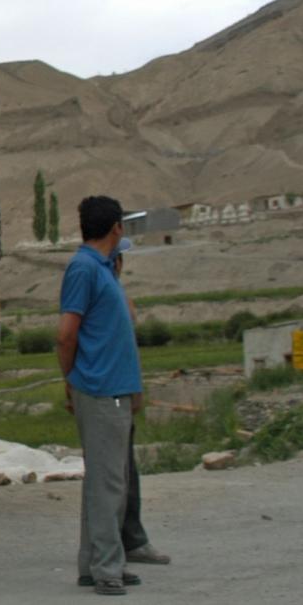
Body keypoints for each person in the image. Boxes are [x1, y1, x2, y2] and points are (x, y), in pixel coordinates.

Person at [56, 196, 143, 596]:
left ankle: (96, 563)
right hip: (99, 389)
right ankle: (108, 568)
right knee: (108, 484)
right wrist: (72, 379)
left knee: (109, 481)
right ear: (116, 228)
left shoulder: (104, 269)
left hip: (115, 388)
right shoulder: (84, 268)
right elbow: (66, 335)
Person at [110, 240, 171, 568]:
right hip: (112, 391)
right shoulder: (110, 292)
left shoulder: (106, 289)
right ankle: (127, 540)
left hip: (111, 389)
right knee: (119, 470)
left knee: (118, 470)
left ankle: (117, 541)